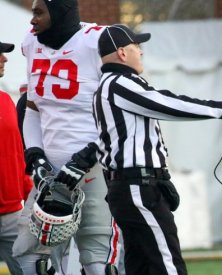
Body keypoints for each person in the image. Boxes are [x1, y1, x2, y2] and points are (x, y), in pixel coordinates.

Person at [92, 24, 222, 275]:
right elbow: (166, 103)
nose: (141, 52)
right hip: (137, 186)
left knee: (140, 266)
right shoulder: (119, 82)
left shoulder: (110, 84)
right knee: (169, 265)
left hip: (132, 186)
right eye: (136, 47)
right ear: (122, 53)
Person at [12, 0, 120, 274]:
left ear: (59, 13)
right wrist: (34, 155)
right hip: (50, 173)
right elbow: (33, 107)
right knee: (29, 256)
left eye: (39, 12)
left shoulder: (98, 40)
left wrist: (88, 157)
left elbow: (119, 109)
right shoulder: (32, 43)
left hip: (96, 169)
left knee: (98, 258)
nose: (32, 20)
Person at [0, 41, 33, 275]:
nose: (5, 59)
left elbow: (16, 153)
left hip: (12, 215)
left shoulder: (6, 100)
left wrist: (29, 193)